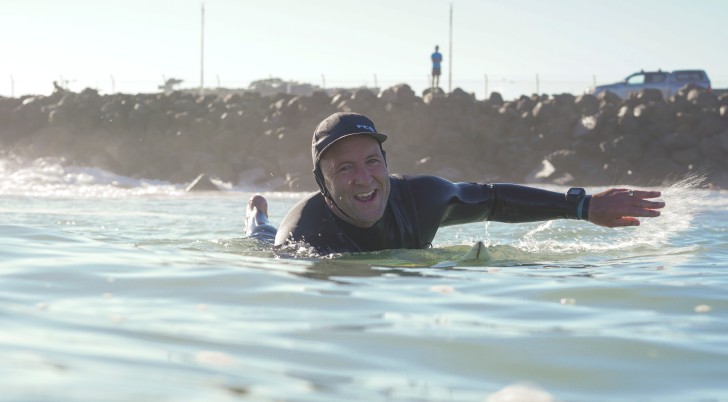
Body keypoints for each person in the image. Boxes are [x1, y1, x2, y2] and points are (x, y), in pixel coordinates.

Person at [271, 112, 665, 255]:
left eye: (372, 162)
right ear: (321, 183)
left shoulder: (422, 197)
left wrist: (583, 206)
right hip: (276, 237)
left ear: (386, 164)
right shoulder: (303, 234)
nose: (364, 178)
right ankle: (257, 217)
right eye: (344, 169)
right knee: (261, 233)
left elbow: (493, 198)